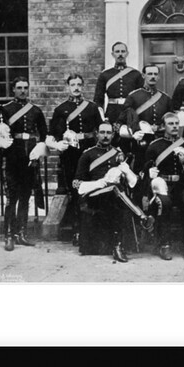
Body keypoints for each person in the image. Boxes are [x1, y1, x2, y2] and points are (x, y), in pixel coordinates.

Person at [73, 122, 154, 263]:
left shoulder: (119, 154)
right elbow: (76, 183)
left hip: (114, 196)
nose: (105, 136)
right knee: (116, 190)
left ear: (113, 135)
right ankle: (141, 217)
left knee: (116, 192)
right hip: (94, 195)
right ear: (96, 134)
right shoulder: (88, 154)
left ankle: (118, 245)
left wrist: (126, 172)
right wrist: (100, 183)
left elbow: (133, 184)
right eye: (102, 132)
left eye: (108, 133)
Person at [46, 73, 103, 247]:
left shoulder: (92, 108)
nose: (76, 87)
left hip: (89, 152)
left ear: (83, 86)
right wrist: (58, 145)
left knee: (93, 188)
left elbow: (100, 131)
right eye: (73, 84)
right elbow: (52, 135)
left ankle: (92, 230)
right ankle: (77, 230)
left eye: (79, 84)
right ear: (68, 87)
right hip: (71, 154)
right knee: (74, 190)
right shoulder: (60, 109)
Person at [0, 77, 48, 251]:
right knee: (12, 198)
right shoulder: (4, 109)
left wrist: (40, 147)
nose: (23, 91)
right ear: (13, 90)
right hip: (12, 157)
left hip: (30, 157)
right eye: (19, 88)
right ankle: (9, 235)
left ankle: (21, 233)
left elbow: (44, 134)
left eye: (26, 87)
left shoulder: (36, 111)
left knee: (25, 196)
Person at [142, 112, 184, 260]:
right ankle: (164, 244)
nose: (175, 126)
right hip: (162, 186)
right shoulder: (155, 146)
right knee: (164, 203)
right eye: (171, 124)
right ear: (163, 126)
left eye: (176, 123)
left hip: (182, 185)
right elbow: (146, 171)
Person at [120, 64, 173, 182]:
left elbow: (171, 119)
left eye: (155, 74)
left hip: (160, 138)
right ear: (143, 75)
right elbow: (125, 117)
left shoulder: (165, 98)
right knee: (141, 170)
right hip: (142, 140)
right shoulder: (133, 96)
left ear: (158, 77)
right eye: (149, 74)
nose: (153, 77)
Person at [93, 42, 144, 130]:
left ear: (127, 53)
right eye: (117, 52)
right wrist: (102, 118)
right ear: (113, 54)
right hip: (112, 112)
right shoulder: (105, 75)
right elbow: (98, 99)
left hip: (130, 112)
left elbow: (141, 98)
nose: (120, 54)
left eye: (123, 51)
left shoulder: (135, 74)